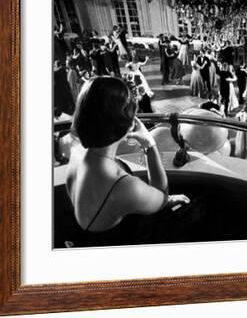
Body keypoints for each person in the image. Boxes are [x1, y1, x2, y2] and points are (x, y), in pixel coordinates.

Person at [66, 77, 190, 234]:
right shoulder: (123, 185)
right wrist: (149, 145)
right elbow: (162, 197)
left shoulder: (77, 151)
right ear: (130, 123)